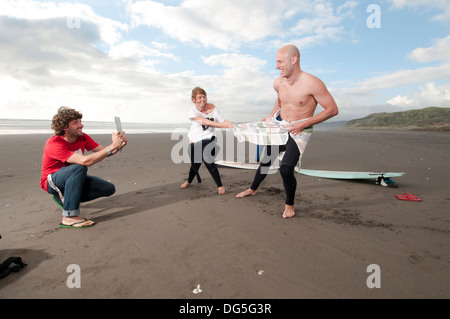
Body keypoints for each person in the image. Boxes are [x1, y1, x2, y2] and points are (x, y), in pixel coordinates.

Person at [235, 44, 339, 218]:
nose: (276, 66)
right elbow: (280, 101)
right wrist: (270, 118)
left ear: (294, 60)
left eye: (279, 62)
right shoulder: (278, 82)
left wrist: (303, 124)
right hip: (279, 126)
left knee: (285, 169)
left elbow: (332, 110)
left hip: (299, 130)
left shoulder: (312, 83)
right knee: (266, 161)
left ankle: (289, 205)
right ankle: (252, 189)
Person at [40, 106, 128, 228]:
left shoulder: (82, 137)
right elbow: (85, 161)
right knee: (79, 167)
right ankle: (69, 216)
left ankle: (66, 199)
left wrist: (119, 145)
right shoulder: (54, 143)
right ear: (65, 127)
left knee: (108, 188)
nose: (81, 125)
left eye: (80, 121)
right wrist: (112, 146)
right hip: (52, 181)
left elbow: (105, 152)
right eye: (76, 123)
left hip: (73, 178)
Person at [180, 87, 234, 194]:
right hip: (195, 139)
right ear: (194, 99)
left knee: (208, 160)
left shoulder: (212, 108)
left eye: (204, 97)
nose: (202, 99)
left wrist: (233, 125)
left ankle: (220, 186)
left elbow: (222, 120)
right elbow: (206, 122)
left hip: (208, 138)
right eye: (199, 97)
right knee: (195, 164)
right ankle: (189, 181)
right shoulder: (192, 112)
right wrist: (224, 126)